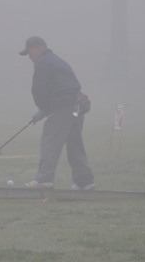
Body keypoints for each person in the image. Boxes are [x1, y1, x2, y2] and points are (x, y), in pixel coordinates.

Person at [19, 35, 95, 190]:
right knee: (75, 144)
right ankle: (84, 181)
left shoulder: (43, 62)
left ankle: (44, 179)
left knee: (50, 142)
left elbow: (40, 89)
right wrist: (45, 109)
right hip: (77, 106)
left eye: (30, 52)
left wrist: (43, 109)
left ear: (39, 48)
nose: (29, 57)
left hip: (62, 108)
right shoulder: (56, 60)